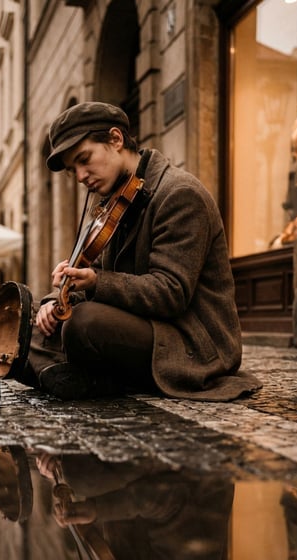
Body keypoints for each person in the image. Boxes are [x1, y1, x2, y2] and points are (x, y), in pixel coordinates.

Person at [18, 101, 262, 401]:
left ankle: (75, 376)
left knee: (84, 324)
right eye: (73, 170)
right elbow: (101, 280)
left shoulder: (179, 194)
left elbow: (170, 293)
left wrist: (96, 281)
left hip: (191, 341)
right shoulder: (116, 200)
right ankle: (71, 376)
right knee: (26, 332)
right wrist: (56, 301)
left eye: (84, 159)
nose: (81, 176)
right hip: (143, 326)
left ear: (115, 139)